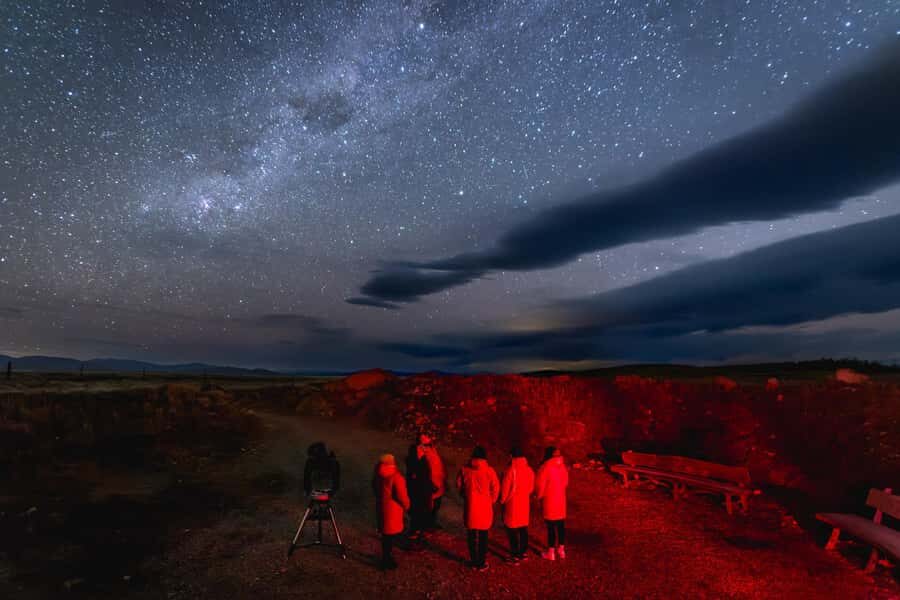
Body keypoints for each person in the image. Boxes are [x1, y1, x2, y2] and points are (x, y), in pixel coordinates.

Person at [456, 445, 500, 571]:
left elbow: (459, 484)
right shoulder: (489, 471)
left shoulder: (465, 469)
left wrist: (465, 496)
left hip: (471, 507)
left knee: (471, 535)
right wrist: (491, 500)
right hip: (485, 508)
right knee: (483, 536)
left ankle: (473, 561)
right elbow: (496, 487)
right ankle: (481, 562)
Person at [373, 453, 410, 570]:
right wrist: (407, 506)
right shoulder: (396, 478)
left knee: (385, 536)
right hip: (393, 511)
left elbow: (373, 486)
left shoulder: (378, 474)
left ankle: (386, 557)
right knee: (390, 536)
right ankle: (387, 560)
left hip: (382, 508)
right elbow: (402, 496)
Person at [500, 445, 535, 563]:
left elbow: (505, 489)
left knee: (512, 530)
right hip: (524, 503)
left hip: (512, 504)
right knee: (523, 528)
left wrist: (502, 500)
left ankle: (515, 555)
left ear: (511, 456)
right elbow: (531, 488)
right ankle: (523, 552)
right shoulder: (529, 469)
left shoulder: (510, 470)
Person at [535, 446, 569, 560]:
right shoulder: (562, 466)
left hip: (550, 500)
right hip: (561, 499)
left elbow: (540, 485)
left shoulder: (545, 467)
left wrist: (539, 496)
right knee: (560, 526)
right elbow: (565, 482)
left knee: (551, 527)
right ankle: (561, 549)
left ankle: (551, 552)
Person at [405, 443, 432, 541]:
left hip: (423, 492)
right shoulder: (414, 462)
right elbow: (414, 479)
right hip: (417, 493)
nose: (423, 449)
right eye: (420, 448)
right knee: (416, 515)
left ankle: (418, 534)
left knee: (421, 514)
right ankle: (413, 538)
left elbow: (426, 476)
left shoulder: (423, 460)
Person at [419, 433, 446, 530]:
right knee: (429, 506)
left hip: (438, 482)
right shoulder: (422, 453)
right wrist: (430, 483)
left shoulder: (432, 450)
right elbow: (423, 471)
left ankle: (431, 523)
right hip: (431, 484)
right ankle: (427, 525)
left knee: (436, 506)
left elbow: (438, 466)